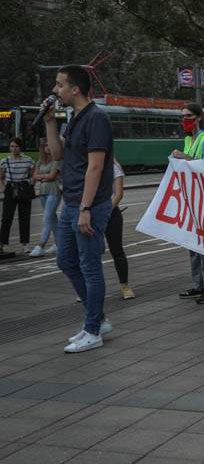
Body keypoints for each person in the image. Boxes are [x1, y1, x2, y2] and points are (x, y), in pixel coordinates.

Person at [42, 64, 117, 353]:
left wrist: (86, 207)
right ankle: (97, 318)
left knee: (89, 266)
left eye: (59, 85)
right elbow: (59, 154)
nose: (54, 90)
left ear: (75, 89)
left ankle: (93, 330)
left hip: (88, 205)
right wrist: (50, 122)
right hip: (71, 202)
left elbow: (95, 166)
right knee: (66, 261)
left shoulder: (96, 118)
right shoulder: (74, 117)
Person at [174, 101, 204, 303]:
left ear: (198, 118)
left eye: (188, 117)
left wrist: (184, 158)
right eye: (182, 117)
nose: (185, 121)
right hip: (191, 197)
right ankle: (197, 285)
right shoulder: (187, 139)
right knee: (192, 243)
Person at [0, 137, 35, 256]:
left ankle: (25, 245)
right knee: (6, 217)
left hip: (23, 188)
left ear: (20, 147)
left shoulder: (28, 160)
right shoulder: (5, 161)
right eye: (11, 146)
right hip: (10, 189)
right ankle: (2, 244)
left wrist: (29, 183)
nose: (14, 149)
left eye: (16, 146)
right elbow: (1, 177)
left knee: (24, 217)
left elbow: (32, 175)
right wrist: (4, 188)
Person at [106, 159, 134, 299]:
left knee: (117, 250)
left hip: (111, 213)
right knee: (90, 252)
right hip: (90, 214)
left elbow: (118, 194)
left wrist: (105, 212)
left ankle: (125, 286)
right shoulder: (85, 165)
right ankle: (87, 287)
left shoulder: (113, 167)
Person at [28, 142, 61, 256]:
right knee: (52, 219)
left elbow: (52, 176)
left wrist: (42, 177)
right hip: (42, 192)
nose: (47, 147)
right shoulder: (40, 162)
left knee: (47, 218)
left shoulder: (56, 160)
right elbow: (34, 177)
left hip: (54, 191)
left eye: (49, 145)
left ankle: (41, 245)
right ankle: (59, 244)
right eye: (45, 145)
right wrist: (45, 177)